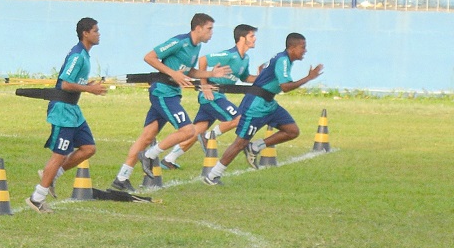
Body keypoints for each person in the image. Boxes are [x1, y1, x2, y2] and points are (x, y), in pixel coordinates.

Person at [114, 12, 215, 188]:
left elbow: (189, 71)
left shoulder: (196, 47)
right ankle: (149, 155)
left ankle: (121, 178)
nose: (211, 33)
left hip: (172, 93)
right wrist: (172, 73)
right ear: (198, 28)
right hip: (162, 93)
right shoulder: (179, 42)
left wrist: (211, 74)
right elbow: (149, 57)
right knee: (188, 131)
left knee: (147, 137)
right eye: (209, 29)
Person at [207, 34, 324, 182]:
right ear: (292, 48)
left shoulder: (283, 58)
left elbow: (265, 68)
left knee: (292, 131)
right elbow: (285, 87)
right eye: (302, 47)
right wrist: (309, 78)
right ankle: (213, 175)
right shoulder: (282, 60)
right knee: (240, 142)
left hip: (268, 103)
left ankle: (255, 147)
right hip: (255, 106)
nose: (305, 50)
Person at [27, 18, 111, 211]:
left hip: (73, 110)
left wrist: (86, 86)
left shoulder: (85, 55)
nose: (99, 34)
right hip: (63, 110)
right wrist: (89, 90)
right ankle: (36, 198)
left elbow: (73, 81)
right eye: (96, 31)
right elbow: (64, 83)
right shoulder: (77, 55)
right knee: (59, 154)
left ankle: (52, 175)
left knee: (89, 148)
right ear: (86, 34)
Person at [169, 22, 257, 164]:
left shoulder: (245, 58)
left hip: (218, 95)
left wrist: (261, 77)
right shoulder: (229, 55)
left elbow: (245, 77)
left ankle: (169, 159)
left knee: (196, 131)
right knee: (239, 118)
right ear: (242, 38)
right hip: (211, 96)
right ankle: (211, 135)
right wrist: (205, 86)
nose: (255, 39)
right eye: (252, 36)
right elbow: (203, 59)